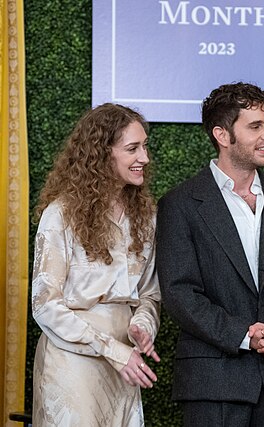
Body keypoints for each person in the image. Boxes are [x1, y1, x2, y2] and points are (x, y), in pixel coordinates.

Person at [156, 82, 264, 426]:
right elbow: (179, 292)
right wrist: (245, 335)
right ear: (222, 134)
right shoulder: (180, 204)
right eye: (255, 126)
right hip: (213, 382)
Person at [31, 104, 161, 427]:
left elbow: (150, 294)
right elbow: (45, 304)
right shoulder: (60, 216)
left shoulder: (145, 217)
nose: (144, 157)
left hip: (125, 366)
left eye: (144, 147)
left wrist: (143, 326)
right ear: (102, 155)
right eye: (132, 148)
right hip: (72, 366)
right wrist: (113, 350)